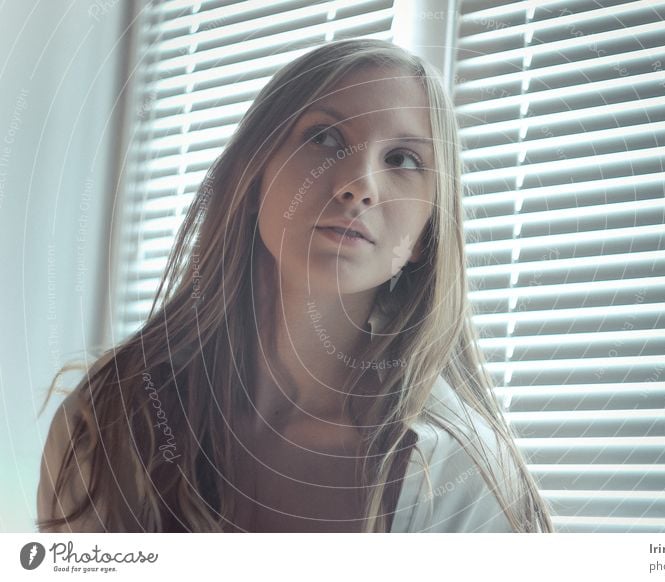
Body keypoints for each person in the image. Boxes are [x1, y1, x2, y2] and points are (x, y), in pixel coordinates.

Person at [36, 38, 554, 533]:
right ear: (252, 173)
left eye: (402, 160)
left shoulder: (462, 473)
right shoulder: (107, 422)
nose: (359, 185)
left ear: (425, 237)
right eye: (324, 137)